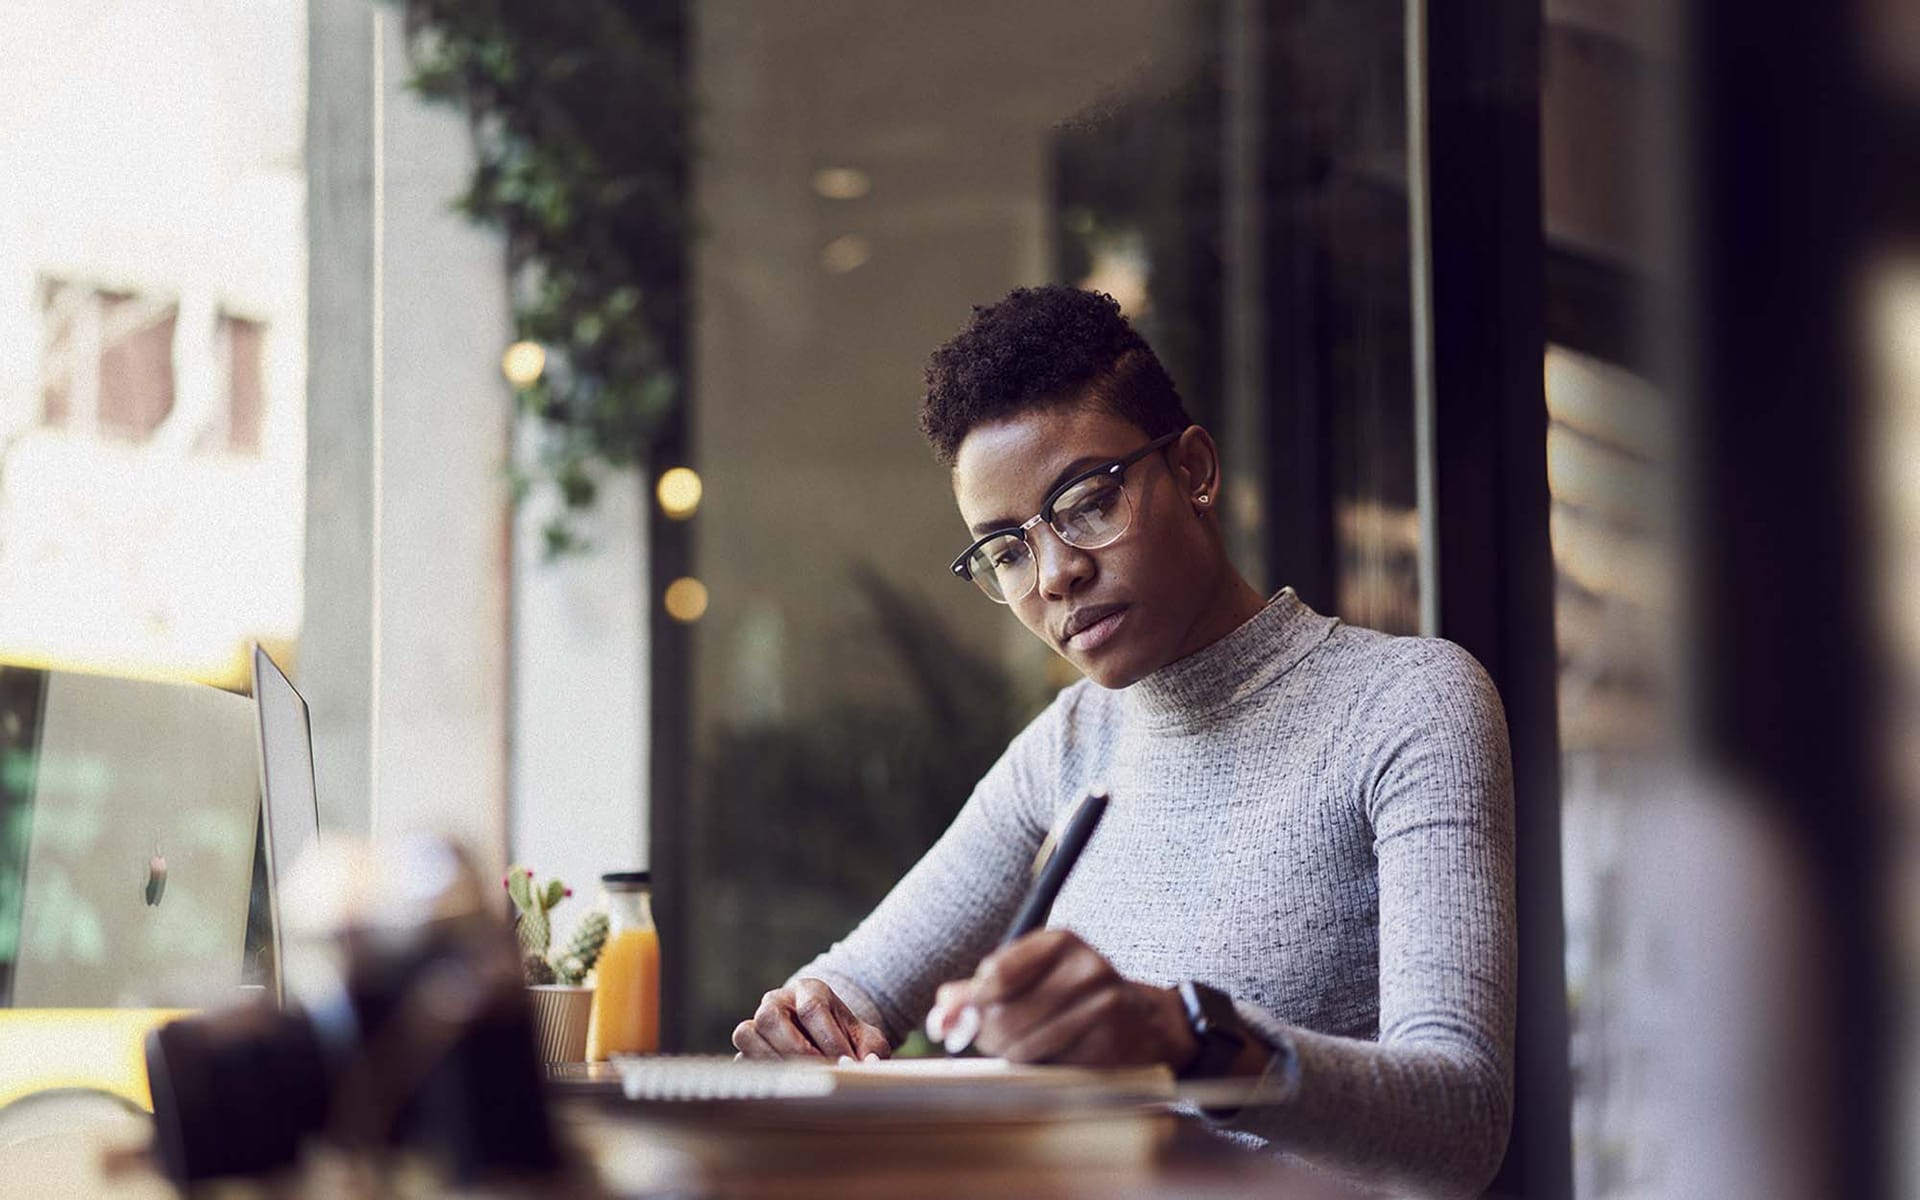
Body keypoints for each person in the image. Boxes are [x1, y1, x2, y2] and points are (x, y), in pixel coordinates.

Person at [731, 285, 1515, 1197]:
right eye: (1007, 551)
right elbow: (856, 985)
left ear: (1193, 471)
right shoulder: (1066, 745)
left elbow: (1465, 1118)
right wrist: (805, 1024)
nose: (1057, 574)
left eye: (1087, 502)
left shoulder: (1406, 704)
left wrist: (1184, 1041)